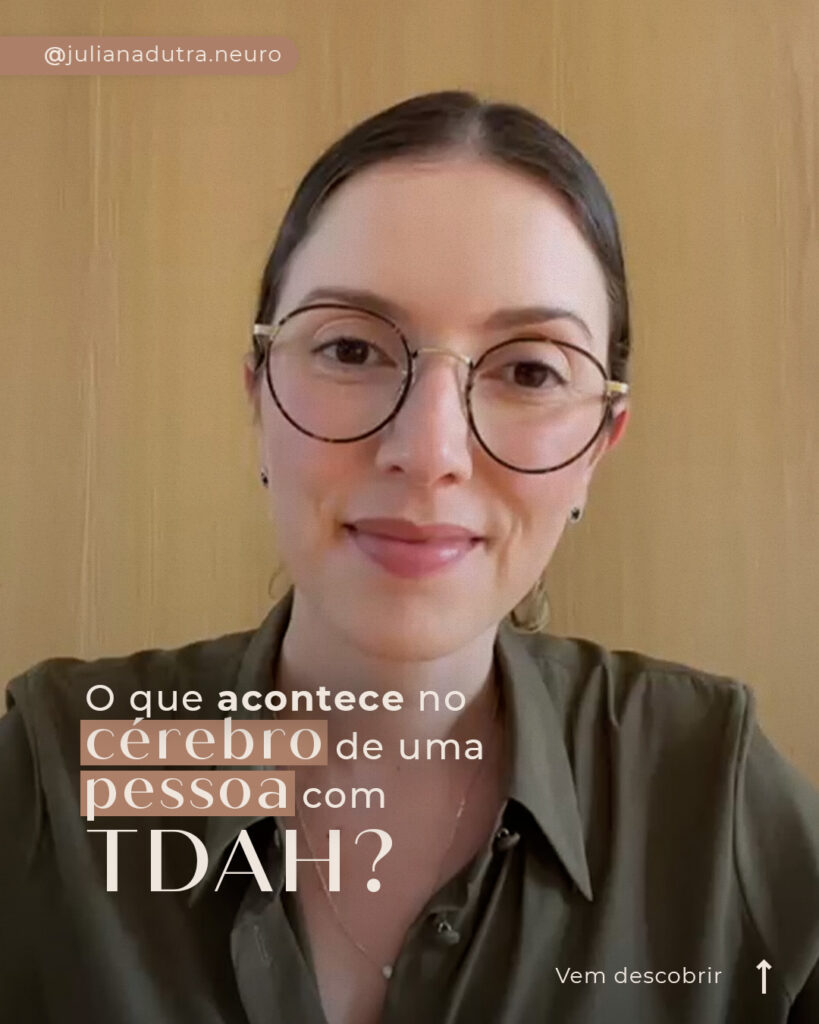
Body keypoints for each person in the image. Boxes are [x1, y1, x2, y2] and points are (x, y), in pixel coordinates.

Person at [1, 91, 817, 1024]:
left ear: (598, 445)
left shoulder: (703, 791)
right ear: (258, 395)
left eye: (529, 370)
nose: (429, 452)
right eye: (351, 349)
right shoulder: (67, 782)